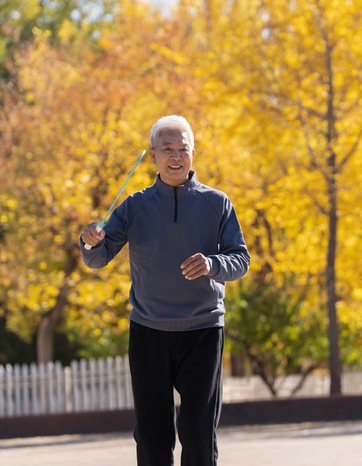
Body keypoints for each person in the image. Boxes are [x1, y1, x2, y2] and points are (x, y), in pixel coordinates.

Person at [80, 115, 250, 466]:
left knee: (199, 431)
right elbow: (98, 259)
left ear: (193, 153)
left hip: (203, 329)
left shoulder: (217, 203)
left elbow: (241, 259)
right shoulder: (134, 205)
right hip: (148, 330)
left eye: (182, 149)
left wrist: (213, 264)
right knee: (153, 434)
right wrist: (89, 241)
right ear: (153, 156)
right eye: (167, 149)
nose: (176, 156)